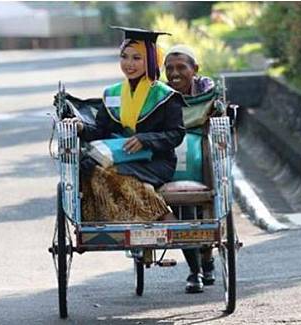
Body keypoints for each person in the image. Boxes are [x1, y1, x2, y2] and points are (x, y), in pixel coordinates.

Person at [63, 27, 186, 223]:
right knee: (89, 170)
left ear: (151, 60)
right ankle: (137, 221)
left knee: (107, 172)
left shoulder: (166, 96)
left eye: (137, 58)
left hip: (156, 161)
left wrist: (145, 140)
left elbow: (176, 134)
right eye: (124, 56)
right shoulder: (113, 93)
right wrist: (80, 126)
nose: (129, 64)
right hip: (120, 156)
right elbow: (101, 131)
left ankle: (164, 216)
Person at [164, 44, 217, 293]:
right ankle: (194, 272)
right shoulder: (161, 93)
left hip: (202, 149)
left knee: (207, 208)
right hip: (174, 154)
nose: (175, 73)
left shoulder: (206, 88)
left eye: (181, 67)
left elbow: (216, 110)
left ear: (194, 69)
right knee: (183, 209)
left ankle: (207, 258)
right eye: (169, 68)